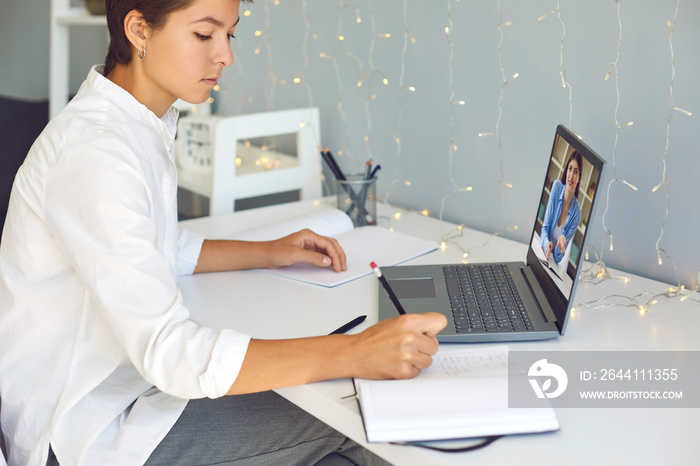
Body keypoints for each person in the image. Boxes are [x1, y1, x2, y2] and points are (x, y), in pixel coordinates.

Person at [0, 0, 447, 464]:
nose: (226, 56)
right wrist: (352, 352)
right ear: (139, 30)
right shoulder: (96, 153)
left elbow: (159, 246)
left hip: (118, 395)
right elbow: (170, 353)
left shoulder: (133, 122)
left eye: (229, 35)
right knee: (353, 418)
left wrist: (269, 252)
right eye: (203, 34)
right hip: (82, 432)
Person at [540, 150, 582, 264]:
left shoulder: (577, 213)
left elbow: (558, 258)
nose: (571, 175)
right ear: (566, 170)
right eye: (570, 168)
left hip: (555, 263)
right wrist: (546, 245)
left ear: (579, 178)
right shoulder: (557, 187)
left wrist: (559, 246)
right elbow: (545, 228)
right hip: (543, 253)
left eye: (576, 172)